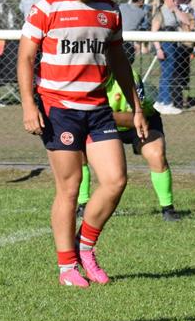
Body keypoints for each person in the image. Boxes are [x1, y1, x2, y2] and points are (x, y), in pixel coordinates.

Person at [18, 0, 147, 289]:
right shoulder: (46, 8)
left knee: (116, 180)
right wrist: (29, 104)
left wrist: (136, 108)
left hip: (98, 108)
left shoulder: (109, 11)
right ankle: (67, 267)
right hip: (58, 109)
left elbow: (119, 61)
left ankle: (85, 247)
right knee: (70, 187)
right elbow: (25, 57)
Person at [77, 69, 179, 222]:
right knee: (79, 152)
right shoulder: (84, 79)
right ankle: (83, 205)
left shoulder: (128, 76)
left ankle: (168, 208)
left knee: (156, 155)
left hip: (140, 123)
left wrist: (99, 114)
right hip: (103, 125)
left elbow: (135, 118)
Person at [149, 0, 192, 115]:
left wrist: (176, 10)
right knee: (167, 74)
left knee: (168, 73)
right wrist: (158, 49)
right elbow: (154, 31)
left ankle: (161, 102)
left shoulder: (174, 10)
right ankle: (167, 103)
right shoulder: (160, 12)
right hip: (164, 44)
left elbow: (186, 22)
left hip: (173, 44)